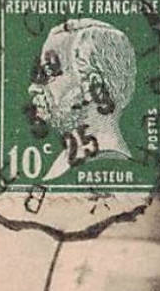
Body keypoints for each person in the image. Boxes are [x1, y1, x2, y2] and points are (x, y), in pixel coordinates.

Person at [28, 18, 138, 181]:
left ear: (93, 86)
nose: (33, 88)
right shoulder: (66, 161)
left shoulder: (106, 163)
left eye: (50, 72)